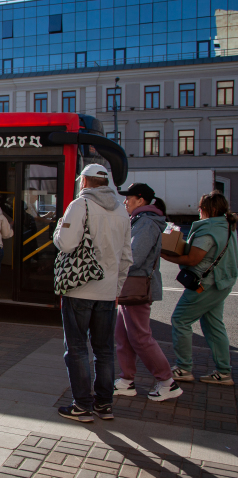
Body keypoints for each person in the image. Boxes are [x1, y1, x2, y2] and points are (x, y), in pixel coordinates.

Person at [52, 164, 132, 422]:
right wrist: (116, 289)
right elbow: (127, 258)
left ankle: (82, 406)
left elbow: (66, 243)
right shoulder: (122, 210)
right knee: (104, 350)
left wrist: (58, 229)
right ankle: (104, 405)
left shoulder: (80, 205)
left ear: (84, 182)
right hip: (107, 293)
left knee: (76, 348)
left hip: (79, 289)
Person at [162, 190, 238, 386]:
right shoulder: (227, 227)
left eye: (201, 207)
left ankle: (184, 367)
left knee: (180, 319)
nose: (198, 210)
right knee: (213, 325)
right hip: (221, 282)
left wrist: (164, 255)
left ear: (209, 209)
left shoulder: (209, 229)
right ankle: (223, 372)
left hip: (205, 283)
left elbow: (194, 258)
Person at [115, 183, 182, 401]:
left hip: (137, 286)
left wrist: (112, 263)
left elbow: (135, 256)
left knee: (140, 338)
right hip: (130, 287)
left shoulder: (147, 222)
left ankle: (167, 382)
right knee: (123, 335)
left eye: (129, 198)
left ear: (140, 200)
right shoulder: (141, 220)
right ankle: (127, 380)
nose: (125, 201)